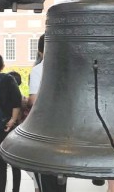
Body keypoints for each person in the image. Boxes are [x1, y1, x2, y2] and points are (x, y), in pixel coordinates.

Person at [28, 34, 67, 192]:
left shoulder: (38, 70)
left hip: (43, 131)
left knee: (45, 178)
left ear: (40, 51)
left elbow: (33, 100)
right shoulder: (67, 69)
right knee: (60, 180)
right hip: (63, 131)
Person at [0, 53, 22, 192]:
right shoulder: (9, 79)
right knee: (4, 164)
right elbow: (17, 102)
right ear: (3, 66)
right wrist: (12, 120)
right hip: (3, 128)